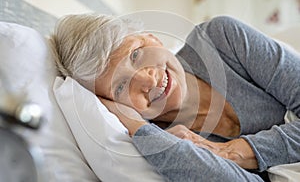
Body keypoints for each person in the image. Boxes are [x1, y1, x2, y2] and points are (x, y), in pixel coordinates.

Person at [49, 13, 300, 182]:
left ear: (152, 38)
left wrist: (231, 152)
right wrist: (138, 127)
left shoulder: (221, 39)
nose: (148, 81)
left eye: (135, 55)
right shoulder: (161, 142)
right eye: (120, 87)